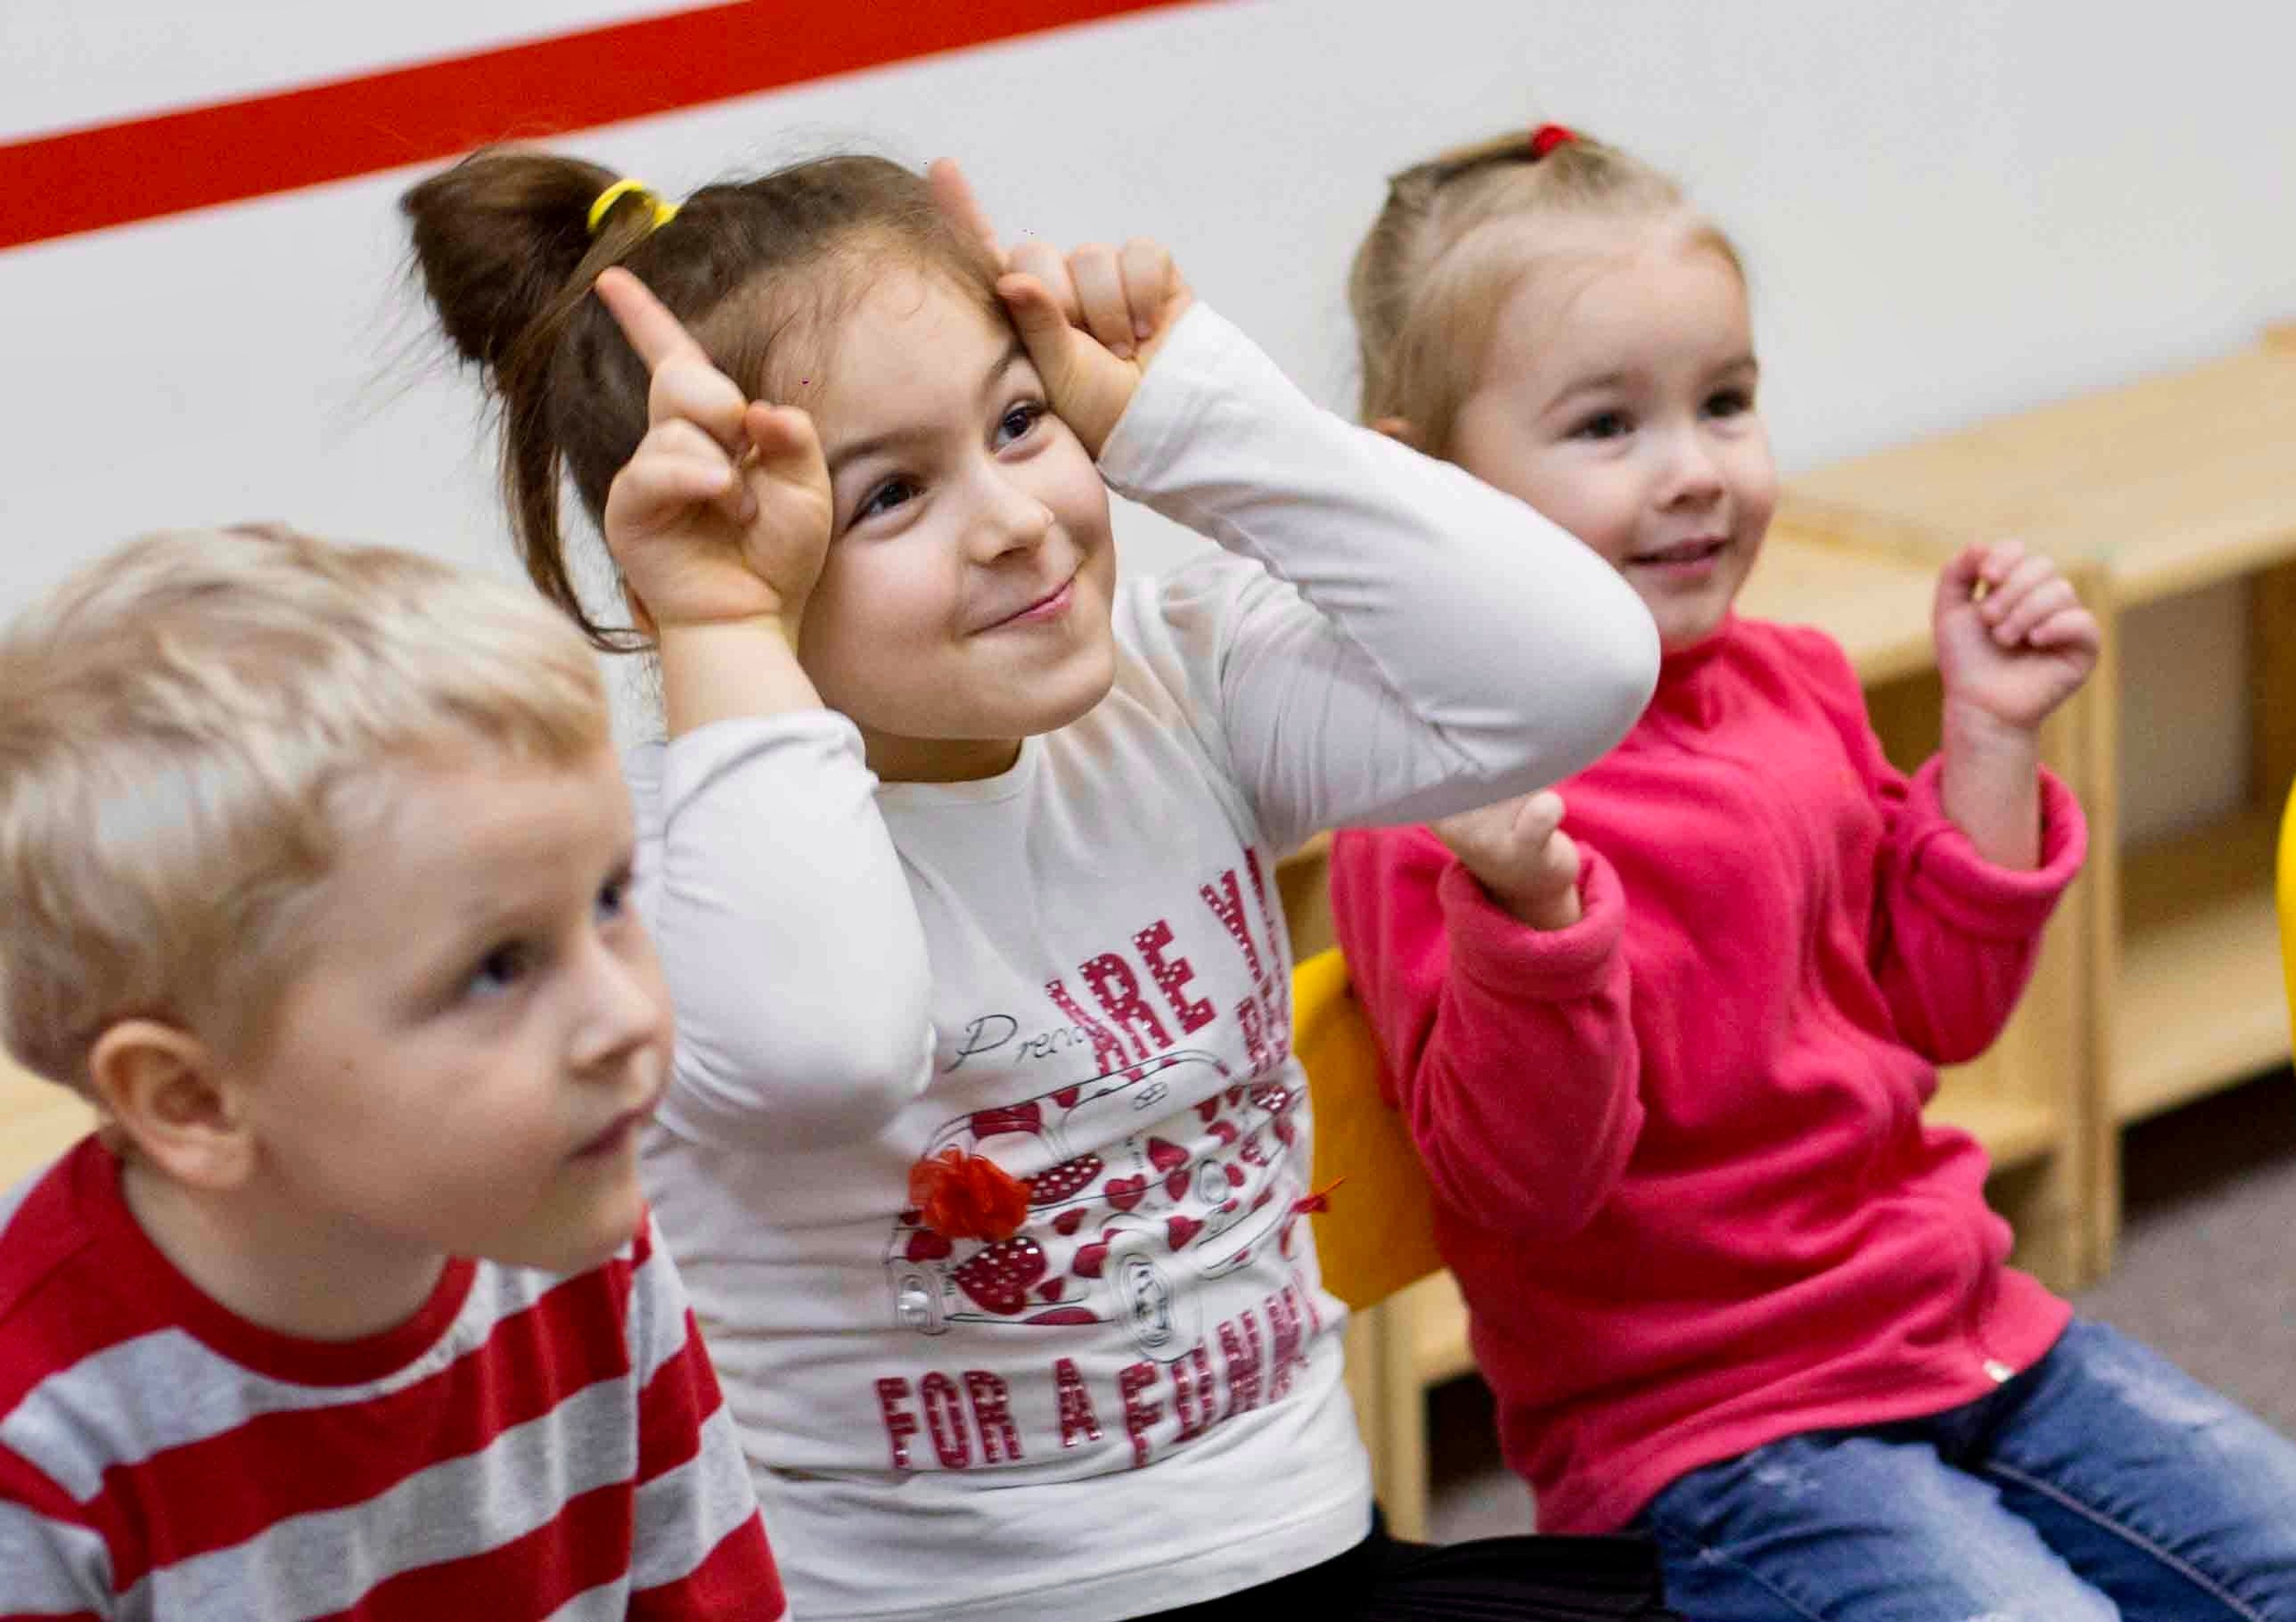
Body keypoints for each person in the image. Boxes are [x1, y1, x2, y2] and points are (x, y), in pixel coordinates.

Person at [402, 145, 1681, 1619]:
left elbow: (1575, 673)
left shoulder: (1174, 681)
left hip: (1312, 1553)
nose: (1010, 518)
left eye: (1020, 418)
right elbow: (825, 1053)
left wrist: (1201, 416)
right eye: (886, 496)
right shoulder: (660, 870)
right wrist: (721, 627)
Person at [1328, 122, 2296, 1620]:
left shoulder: (1791, 682)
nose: (1696, 471)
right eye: (1607, 426)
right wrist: (1530, 913)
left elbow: (1937, 1008)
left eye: (1726, 403)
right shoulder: (1441, 801)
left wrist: (1985, 736)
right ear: (1422, 489)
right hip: (1709, 1434)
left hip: (1963, 1326)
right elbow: (1528, 1187)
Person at [0, 524, 785, 1619]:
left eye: (609, 898)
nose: (621, 1012)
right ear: (192, 1098)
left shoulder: (569, 1227)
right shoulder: (37, 1440)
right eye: (498, 965)